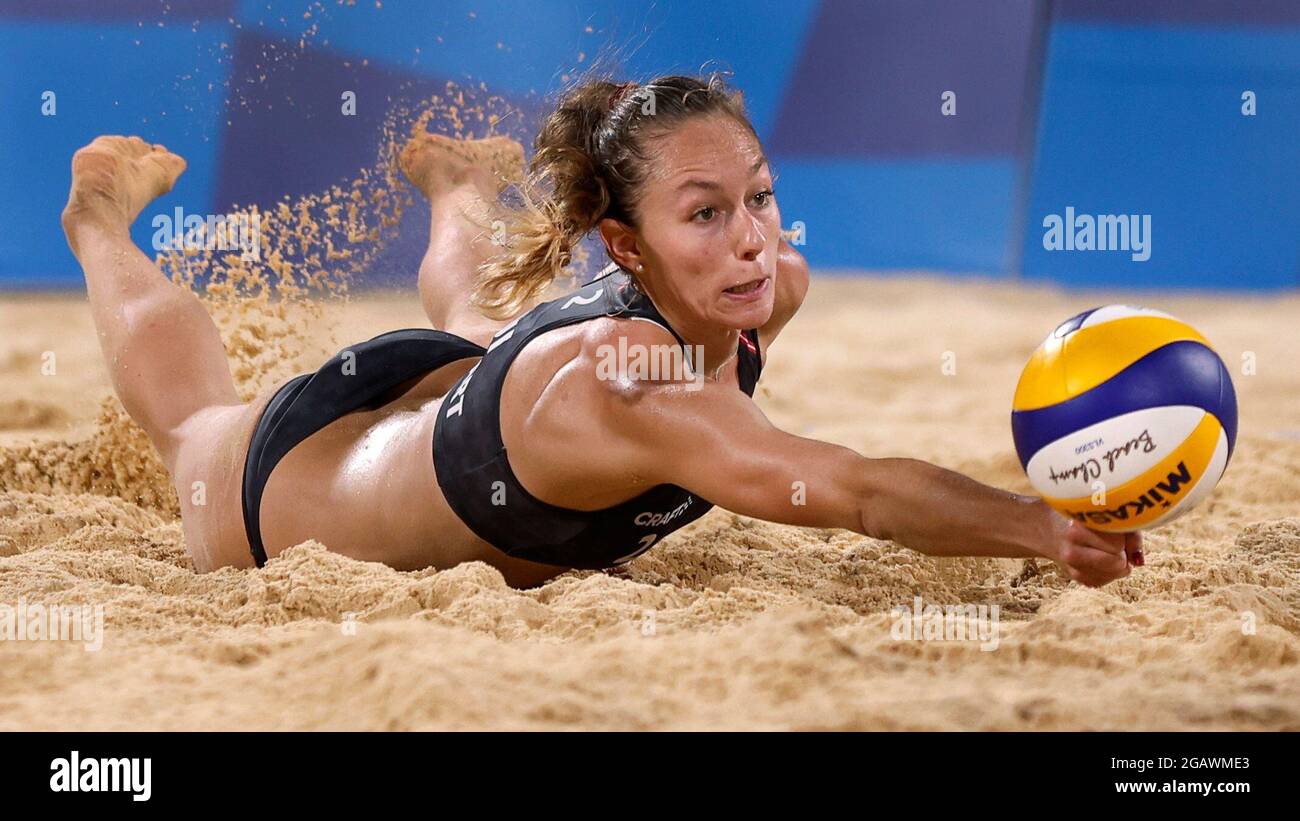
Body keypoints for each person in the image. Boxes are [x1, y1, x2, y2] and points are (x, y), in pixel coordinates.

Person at [59, 74, 1141, 589]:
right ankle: (98, 219)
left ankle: (457, 187)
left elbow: (688, 345)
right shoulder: (634, 387)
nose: (755, 243)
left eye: (759, 197)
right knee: (194, 421)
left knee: (482, 320)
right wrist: (1043, 526)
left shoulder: (766, 288)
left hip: (474, 391)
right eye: (706, 215)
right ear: (625, 247)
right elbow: (852, 488)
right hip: (295, 485)